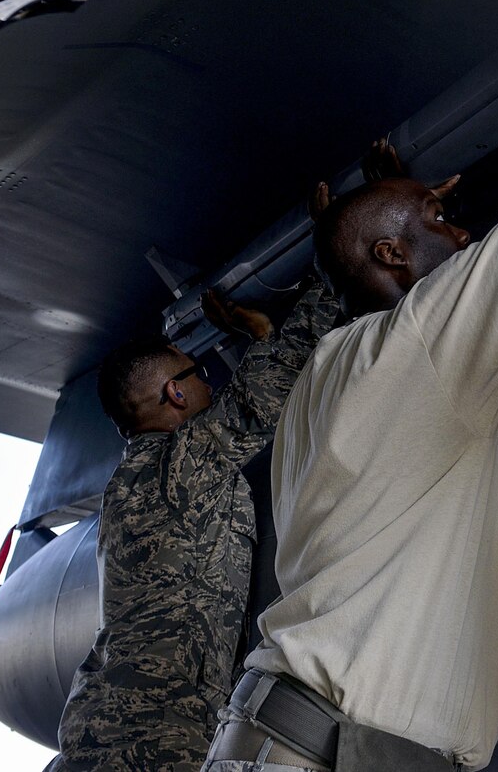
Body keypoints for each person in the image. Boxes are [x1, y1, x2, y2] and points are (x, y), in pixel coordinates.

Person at [204, 0, 498, 772]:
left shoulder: (326, 369)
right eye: (440, 219)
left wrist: (397, 200)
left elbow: (360, 262)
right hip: (327, 751)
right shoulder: (419, 347)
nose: (462, 236)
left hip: (295, 739)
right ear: (389, 256)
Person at [53, 276, 341, 772]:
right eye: (200, 373)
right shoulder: (180, 467)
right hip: (157, 744)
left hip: (107, 737)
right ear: (176, 393)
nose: (210, 383)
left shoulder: (134, 482)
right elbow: (263, 393)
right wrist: (330, 271)